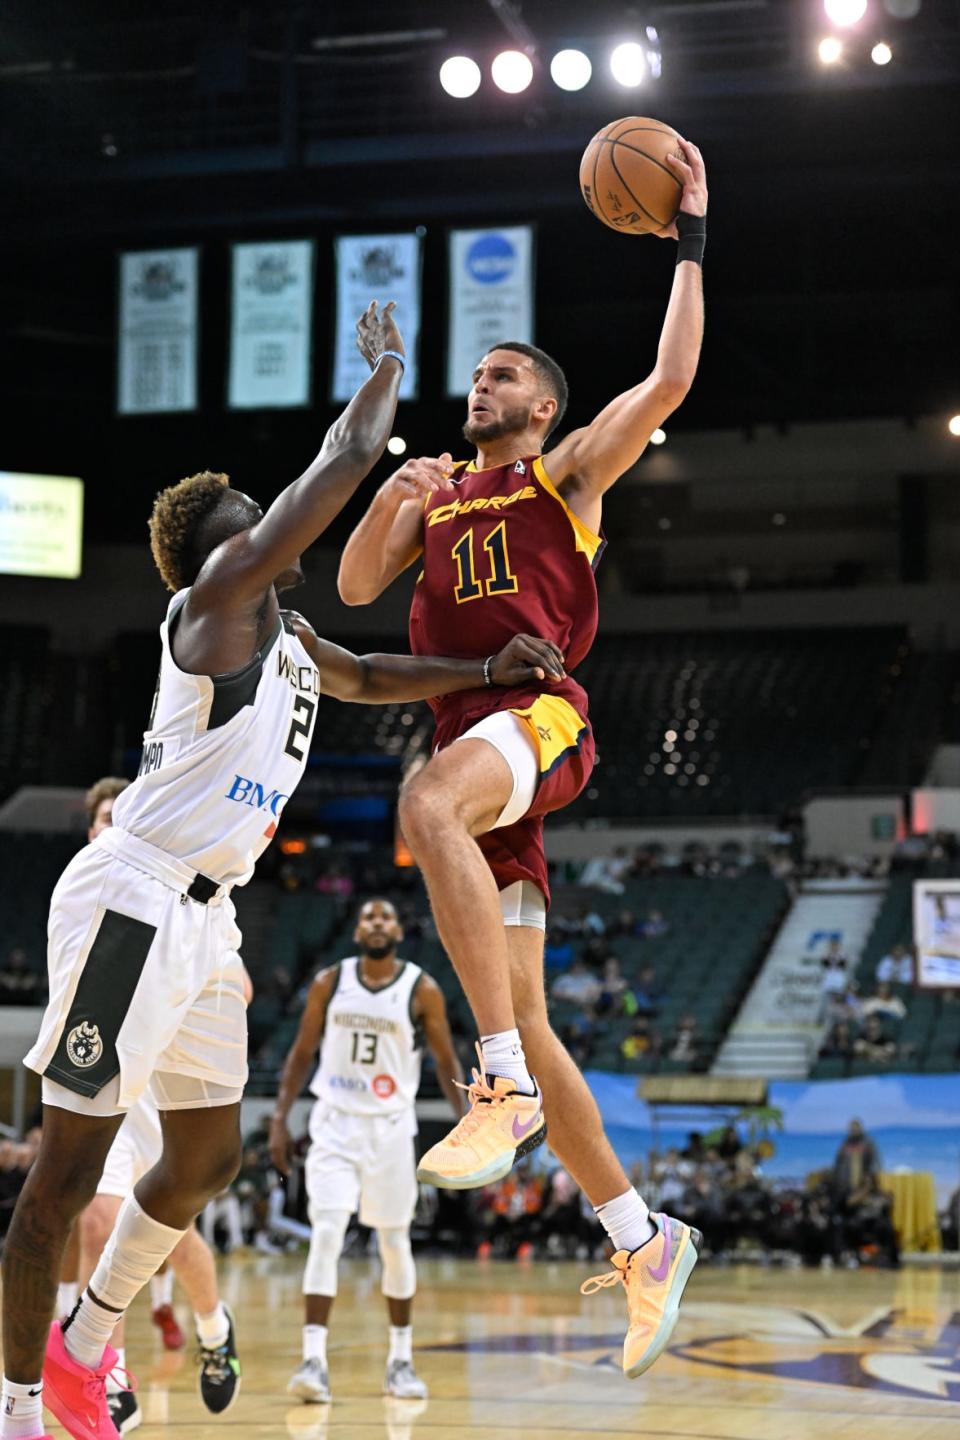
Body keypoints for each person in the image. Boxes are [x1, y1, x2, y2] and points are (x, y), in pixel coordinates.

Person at [0, 300, 565, 1440]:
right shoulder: (209, 606)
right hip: (136, 896)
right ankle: (17, 1409)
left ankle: (85, 1345)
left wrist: (482, 664)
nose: (272, 529)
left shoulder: (292, 643)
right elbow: (351, 456)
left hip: (211, 921)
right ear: (224, 548)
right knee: (62, 1183)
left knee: (206, 1163)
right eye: (254, 520)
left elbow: (363, 676)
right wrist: (390, 367)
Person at [338, 143, 707, 1379]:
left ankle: (494, 1087)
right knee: (540, 1017)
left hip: (536, 725)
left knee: (423, 801)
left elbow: (666, 378)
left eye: (501, 375)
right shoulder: (437, 495)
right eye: (479, 376)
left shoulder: (565, 475)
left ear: (542, 405)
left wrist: (691, 233)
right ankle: (641, 1235)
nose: (481, 385)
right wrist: (396, 500)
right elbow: (349, 587)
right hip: (475, 754)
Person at [65, 777, 246, 1433]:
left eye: (124, 815)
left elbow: (240, 986)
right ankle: (107, 1372)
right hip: (104, 1071)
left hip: (163, 1080)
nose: (115, 825)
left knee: (175, 1238)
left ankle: (213, 1325)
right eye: (105, 817)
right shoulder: (84, 887)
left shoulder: (183, 892)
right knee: (97, 1223)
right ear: (93, 831)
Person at [269, 898, 464, 1405]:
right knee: (327, 1233)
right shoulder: (329, 983)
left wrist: (468, 1125)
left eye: (386, 917)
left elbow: (446, 1061)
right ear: (357, 933)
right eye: (368, 919)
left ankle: (401, 1361)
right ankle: (314, 1360)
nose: (378, 924)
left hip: (392, 1127)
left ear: (400, 929)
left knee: (394, 1241)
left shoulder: (421, 989)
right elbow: (301, 1052)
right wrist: (277, 1119)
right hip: (334, 1121)